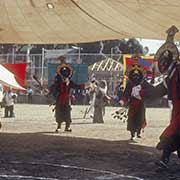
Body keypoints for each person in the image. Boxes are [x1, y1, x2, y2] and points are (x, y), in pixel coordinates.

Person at [152, 25, 180, 168]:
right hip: (177, 107)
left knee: (175, 132)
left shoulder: (178, 70)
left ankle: (165, 158)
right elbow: (161, 89)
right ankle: (165, 159)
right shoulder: (171, 74)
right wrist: (145, 91)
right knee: (176, 133)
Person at [49, 57, 84, 132]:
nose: (65, 74)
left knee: (67, 113)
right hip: (59, 99)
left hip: (67, 100)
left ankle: (67, 127)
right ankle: (59, 126)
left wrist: (82, 85)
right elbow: (54, 88)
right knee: (59, 112)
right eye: (63, 72)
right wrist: (49, 91)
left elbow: (76, 86)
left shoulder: (70, 81)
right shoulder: (58, 80)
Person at [119, 55, 149, 140]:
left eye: (138, 76)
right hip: (132, 104)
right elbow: (126, 93)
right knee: (132, 119)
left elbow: (149, 92)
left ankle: (139, 131)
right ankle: (132, 134)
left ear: (140, 76)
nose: (136, 77)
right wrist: (122, 100)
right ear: (131, 76)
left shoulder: (144, 84)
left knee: (140, 118)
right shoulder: (129, 84)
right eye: (134, 75)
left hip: (141, 104)